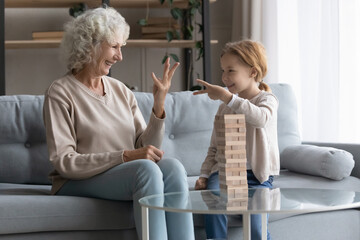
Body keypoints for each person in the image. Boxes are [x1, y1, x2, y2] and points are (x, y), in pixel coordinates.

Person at [43, 6, 194, 240]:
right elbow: (64, 162)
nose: (119, 56)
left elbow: (146, 147)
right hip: (75, 180)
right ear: (90, 44)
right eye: (114, 46)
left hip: (123, 173)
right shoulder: (60, 92)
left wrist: (159, 105)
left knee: (173, 168)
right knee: (145, 171)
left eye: (121, 47)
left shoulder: (120, 90)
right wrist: (124, 156)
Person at [193, 40, 280, 240]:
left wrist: (227, 97)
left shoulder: (267, 100)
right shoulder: (225, 107)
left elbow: (259, 118)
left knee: (257, 230)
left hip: (257, 177)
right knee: (214, 202)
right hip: (223, 173)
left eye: (230, 71)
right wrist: (205, 175)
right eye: (223, 70)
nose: (224, 77)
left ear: (253, 72)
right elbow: (214, 147)